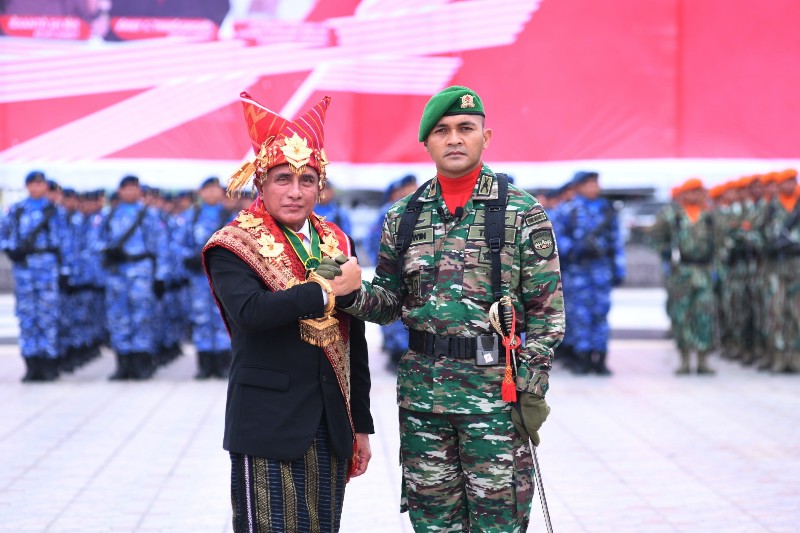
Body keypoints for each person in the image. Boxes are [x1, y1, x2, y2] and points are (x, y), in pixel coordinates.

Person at [336, 86, 564, 532]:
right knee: (433, 524)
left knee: (499, 523)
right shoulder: (403, 216)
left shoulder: (520, 212)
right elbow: (387, 303)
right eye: (442, 131)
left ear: (486, 136)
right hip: (424, 400)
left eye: (466, 128)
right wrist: (348, 292)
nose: (455, 138)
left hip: (496, 400)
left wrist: (530, 386)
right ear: (427, 143)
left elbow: (547, 312)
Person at [202, 92, 374, 533]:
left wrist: (361, 424)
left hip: (330, 421)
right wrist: (322, 293)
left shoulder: (335, 240)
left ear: (321, 185)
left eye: (307, 180)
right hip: (267, 420)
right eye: (282, 179)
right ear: (260, 183)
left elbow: (352, 338)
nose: (295, 192)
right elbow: (251, 313)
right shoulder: (234, 243)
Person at [95, 175, 170, 380]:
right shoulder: (109, 215)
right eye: (125, 188)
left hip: (141, 272)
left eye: (133, 188)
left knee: (142, 317)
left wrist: (160, 276)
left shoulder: (150, 215)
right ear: (119, 191)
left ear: (139, 191)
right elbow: (96, 242)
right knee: (118, 318)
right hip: (116, 274)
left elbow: (161, 246)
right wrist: (108, 251)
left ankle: (141, 363)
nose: (129, 191)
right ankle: (123, 363)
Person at [0, 171, 72, 382]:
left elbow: (65, 242)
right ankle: (31, 363)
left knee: (48, 317)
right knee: (27, 317)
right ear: (27, 186)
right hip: (24, 271)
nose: (36, 188)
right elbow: (2, 234)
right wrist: (10, 248)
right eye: (33, 184)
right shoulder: (16, 210)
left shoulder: (55, 212)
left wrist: (65, 271)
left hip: (47, 270)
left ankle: (49, 363)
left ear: (45, 187)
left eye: (40, 184)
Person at [556, 170, 625, 375]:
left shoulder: (607, 210)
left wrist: (619, 269)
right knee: (579, 314)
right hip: (578, 272)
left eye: (595, 184)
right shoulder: (568, 210)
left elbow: (616, 242)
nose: (593, 188)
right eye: (588, 184)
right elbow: (556, 238)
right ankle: (582, 356)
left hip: (600, 270)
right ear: (577, 187)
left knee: (601, 313)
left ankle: (600, 356)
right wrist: (574, 249)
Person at [649, 178, 718, 375]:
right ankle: (685, 360)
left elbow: (721, 243)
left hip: (704, 271)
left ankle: (703, 360)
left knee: (704, 315)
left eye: (699, 191)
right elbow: (654, 236)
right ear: (683, 194)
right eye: (692, 191)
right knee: (683, 315)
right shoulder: (672, 215)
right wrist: (667, 254)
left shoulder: (710, 215)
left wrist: (717, 268)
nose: (696, 195)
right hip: (682, 272)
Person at [178, 176, 233, 379]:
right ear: (200, 193)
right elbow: (178, 244)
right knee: (201, 319)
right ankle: (204, 364)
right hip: (199, 278)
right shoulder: (191, 216)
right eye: (207, 189)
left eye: (215, 189)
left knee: (222, 318)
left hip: (223, 278)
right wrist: (189, 258)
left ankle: (223, 364)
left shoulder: (232, 216)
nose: (211, 193)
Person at [365, 173, 418, 371]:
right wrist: (385, 264)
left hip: (414, 273)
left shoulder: (419, 210)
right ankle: (395, 354)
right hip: (394, 272)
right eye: (409, 186)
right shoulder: (389, 212)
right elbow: (373, 241)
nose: (413, 189)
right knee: (392, 313)